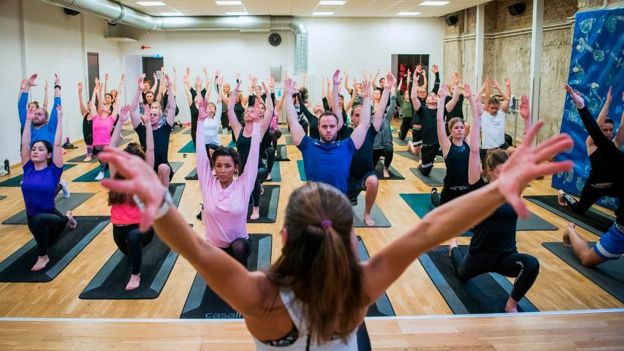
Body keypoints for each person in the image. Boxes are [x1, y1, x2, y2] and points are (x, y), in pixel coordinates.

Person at [98, 110, 572, 348]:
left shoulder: (259, 297)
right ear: (349, 236)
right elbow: (429, 230)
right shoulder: (358, 288)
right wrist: (499, 186)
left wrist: (158, 202)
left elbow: (197, 251)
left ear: (282, 237)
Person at [448, 89, 540, 313]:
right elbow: (474, 151)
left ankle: (511, 304)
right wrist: (477, 117)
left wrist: (527, 121)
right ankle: (453, 247)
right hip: (479, 255)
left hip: (506, 255)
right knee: (461, 273)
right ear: (489, 171)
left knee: (532, 264)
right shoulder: (479, 188)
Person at [194, 93, 262, 266]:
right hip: (214, 248)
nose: (223, 170)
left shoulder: (243, 185)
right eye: (218, 166)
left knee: (239, 247)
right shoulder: (208, 184)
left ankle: (242, 282)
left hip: (238, 245)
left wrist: (256, 125)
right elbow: (201, 155)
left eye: (228, 166)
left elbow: (254, 156)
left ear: (235, 168)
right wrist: (200, 122)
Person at [561, 85, 624, 267]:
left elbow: (621, 131)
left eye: (610, 130)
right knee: (580, 209)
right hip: (595, 185)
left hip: (614, 185)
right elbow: (594, 128)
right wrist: (606, 104)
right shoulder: (593, 144)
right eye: (605, 130)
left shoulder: (615, 145)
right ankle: (564, 196)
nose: (608, 133)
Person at [288, 70, 367, 195]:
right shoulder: (307, 145)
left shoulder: (347, 146)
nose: (328, 130)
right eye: (324, 126)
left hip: (338, 204)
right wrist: (288, 95)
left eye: (332, 126)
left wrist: (367, 98)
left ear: (338, 127)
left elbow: (364, 125)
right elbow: (292, 121)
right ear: (318, 127)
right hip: (315, 204)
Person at [20, 103, 77, 272]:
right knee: (36, 221)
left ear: (49, 154)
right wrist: (28, 122)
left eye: (40, 149)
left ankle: (43, 256)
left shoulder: (54, 170)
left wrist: (59, 120)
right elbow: (25, 145)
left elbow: (58, 145)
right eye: (34, 149)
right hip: (32, 220)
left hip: (51, 220)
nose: (35, 151)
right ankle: (68, 217)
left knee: (40, 220)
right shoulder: (28, 168)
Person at [107, 104, 155, 290]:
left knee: (134, 238)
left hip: (142, 227)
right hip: (118, 228)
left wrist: (148, 124)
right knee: (129, 251)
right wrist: (120, 120)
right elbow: (112, 147)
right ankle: (135, 258)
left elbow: (150, 150)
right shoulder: (115, 176)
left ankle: (136, 275)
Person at [346, 74, 391, 226]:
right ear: (352, 118)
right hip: (346, 177)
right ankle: (349, 198)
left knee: (374, 181)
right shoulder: (344, 132)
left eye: (362, 115)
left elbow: (380, 111)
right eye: (357, 115)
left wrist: (387, 89)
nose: (360, 118)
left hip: (365, 174)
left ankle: (366, 214)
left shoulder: (371, 130)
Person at [228, 81, 275, 220]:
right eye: (247, 111)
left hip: (260, 169)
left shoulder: (259, 130)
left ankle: (256, 209)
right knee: (241, 198)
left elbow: (270, 112)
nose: (249, 113)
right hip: (242, 172)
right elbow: (230, 110)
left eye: (252, 111)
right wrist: (234, 93)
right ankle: (251, 192)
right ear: (243, 116)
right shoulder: (238, 130)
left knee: (253, 177)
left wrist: (267, 93)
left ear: (256, 115)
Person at [129, 74, 177, 187]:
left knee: (163, 168)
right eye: (150, 114)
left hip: (162, 169)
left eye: (155, 114)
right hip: (147, 169)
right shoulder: (142, 129)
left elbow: (172, 107)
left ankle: (163, 197)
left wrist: (170, 87)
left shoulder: (165, 128)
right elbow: (132, 111)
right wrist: (139, 90)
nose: (152, 116)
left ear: (160, 116)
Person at [431, 83, 472, 206]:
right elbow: (439, 121)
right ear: (451, 130)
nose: (460, 129)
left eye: (461, 127)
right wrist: (442, 98)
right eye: (456, 128)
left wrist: (471, 100)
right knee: (439, 207)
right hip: (450, 192)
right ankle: (434, 193)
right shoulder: (447, 146)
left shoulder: (468, 144)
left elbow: (476, 120)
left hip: (466, 191)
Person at [18, 74, 61, 147]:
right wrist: (27, 86)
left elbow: (57, 105)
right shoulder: (28, 127)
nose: (36, 116)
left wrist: (57, 86)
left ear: (46, 119)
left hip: (49, 158)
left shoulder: (50, 128)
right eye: (35, 114)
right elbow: (21, 106)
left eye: (39, 114)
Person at [90, 84, 119, 181]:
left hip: (107, 144)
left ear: (109, 110)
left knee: (105, 159)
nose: (103, 106)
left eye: (105, 106)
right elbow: (93, 104)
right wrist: (95, 91)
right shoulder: (95, 118)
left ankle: (102, 171)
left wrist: (121, 85)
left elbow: (117, 104)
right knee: (104, 160)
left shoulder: (111, 119)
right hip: (96, 146)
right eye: (102, 105)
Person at [480, 79, 511, 161]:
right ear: (488, 107)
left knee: (514, 151)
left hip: (501, 145)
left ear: (499, 107)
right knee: (486, 170)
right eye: (492, 108)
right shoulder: (484, 114)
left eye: (496, 108)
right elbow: (484, 98)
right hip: (487, 147)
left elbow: (507, 99)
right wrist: (484, 88)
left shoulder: (501, 113)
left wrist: (498, 87)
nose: (494, 110)